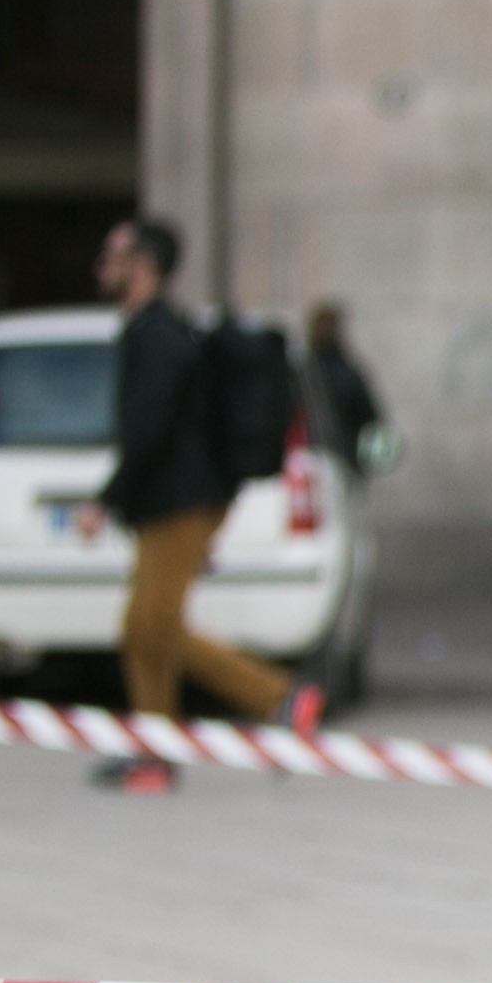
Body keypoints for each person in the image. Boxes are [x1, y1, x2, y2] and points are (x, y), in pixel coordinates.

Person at [84, 214, 314, 791]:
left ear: (143, 267)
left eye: (113, 257)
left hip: (178, 504)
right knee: (143, 630)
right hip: (173, 503)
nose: (102, 268)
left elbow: (150, 430)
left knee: (155, 628)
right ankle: (153, 755)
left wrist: (106, 500)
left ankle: (279, 697)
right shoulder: (156, 329)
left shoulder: (157, 337)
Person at [304, 303, 389, 477]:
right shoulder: (302, 371)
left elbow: (370, 419)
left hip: (342, 462)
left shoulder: (347, 373)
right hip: (309, 461)